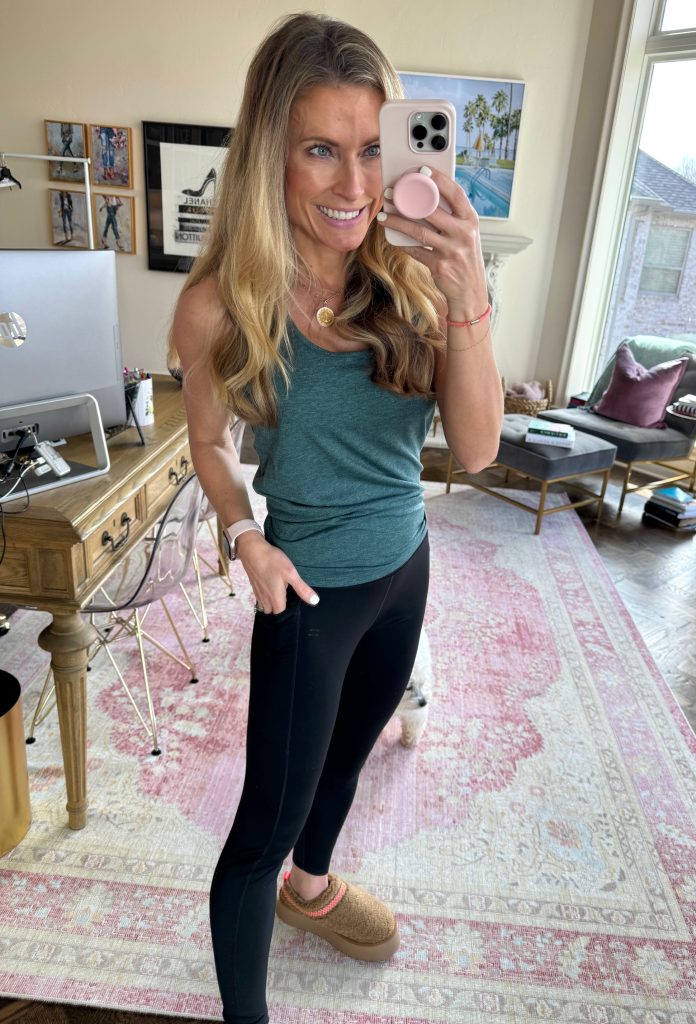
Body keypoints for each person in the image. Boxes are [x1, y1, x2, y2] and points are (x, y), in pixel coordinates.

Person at [168, 12, 502, 1024]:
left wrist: (469, 290)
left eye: (370, 148)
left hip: (406, 567)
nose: (354, 184)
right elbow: (209, 443)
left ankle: (311, 889)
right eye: (320, 149)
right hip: (308, 593)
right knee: (260, 829)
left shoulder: (416, 276)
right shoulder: (221, 305)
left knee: (349, 756)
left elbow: (477, 450)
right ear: (271, 154)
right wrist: (245, 538)